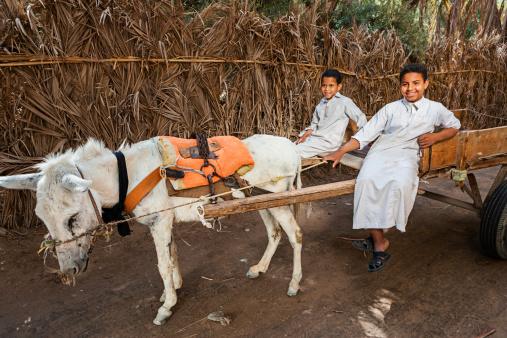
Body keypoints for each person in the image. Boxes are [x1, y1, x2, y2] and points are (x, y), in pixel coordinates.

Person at [323, 63, 461, 272]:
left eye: (416, 83)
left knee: (399, 184)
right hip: (381, 151)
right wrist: (340, 151)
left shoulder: (435, 108)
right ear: (400, 86)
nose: (410, 88)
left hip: (407, 155)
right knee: (366, 181)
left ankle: (379, 233)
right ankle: (379, 241)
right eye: (405, 84)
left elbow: (454, 126)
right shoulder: (390, 109)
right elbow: (366, 133)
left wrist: (436, 136)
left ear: (426, 84)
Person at [295, 69, 367, 158]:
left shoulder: (344, 102)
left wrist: (362, 139)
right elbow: (313, 126)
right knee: (290, 146)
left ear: (339, 86)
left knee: (294, 151)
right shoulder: (320, 105)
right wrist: (304, 136)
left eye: (331, 85)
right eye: (324, 85)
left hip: (329, 143)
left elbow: (360, 118)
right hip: (315, 139)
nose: (327, 89)